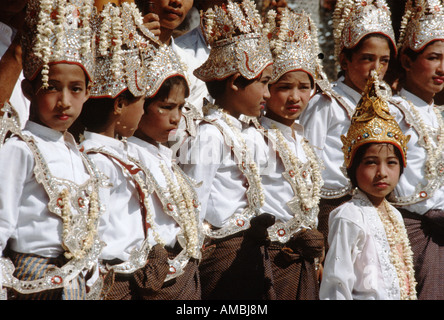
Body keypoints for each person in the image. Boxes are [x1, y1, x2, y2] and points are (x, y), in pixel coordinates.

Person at [0, 0, 104, 300]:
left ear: (87, 93)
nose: (64, 101)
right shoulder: (20, 149)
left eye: (75, 89)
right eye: (52, 86)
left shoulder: (80, 156)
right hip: (32, 280)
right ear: (29, 90)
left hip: (78, 278)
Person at [179, 0, 274, 300]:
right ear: (235, 82)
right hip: (222, 252)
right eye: (264, 83)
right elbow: (195, 200)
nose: (268, 94)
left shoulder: (246, 131)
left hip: (249, 247)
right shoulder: (209, 134)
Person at [79, 1, 168, 300]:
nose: (143, 112)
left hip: (136, 275)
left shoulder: (123, 152)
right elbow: (96, 234)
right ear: (119, 105)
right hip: (113, 281)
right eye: (140, 103)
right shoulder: (95, 160)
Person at [299, 0, 404, 251]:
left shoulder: (388, 104)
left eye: (384, 61)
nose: (376, 70)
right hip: (332, 205)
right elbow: (308, 160)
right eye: (367, 59)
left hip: (375, 201)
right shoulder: (327, 103)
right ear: (345, 60)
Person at [245, 8, 325, 300]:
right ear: (268, 89)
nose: (295, 97)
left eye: (304, 87)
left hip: (305, 256)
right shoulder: (254, 136)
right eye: (284, 87)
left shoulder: (301, 138)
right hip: (272, 255)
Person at [320, 70, 417, 300]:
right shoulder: (348, 216)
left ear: (402, 167)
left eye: (391, 163)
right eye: (371, 163)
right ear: (353, 167)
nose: (382, 173)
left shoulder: (394, 214)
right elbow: (336, 284)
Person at [125, 46, 204, 300]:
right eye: (166, 107)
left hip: (182, 277)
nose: (176, 118)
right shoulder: (128, 157)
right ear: (139, 106)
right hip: (154, 281)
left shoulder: (163, 154)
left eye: (180, 108)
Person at [388, 0, 444, 300]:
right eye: (433, 57)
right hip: (408, 232)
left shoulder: (439, 113)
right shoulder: (390, 111)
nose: (442, 68)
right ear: (407, 62)